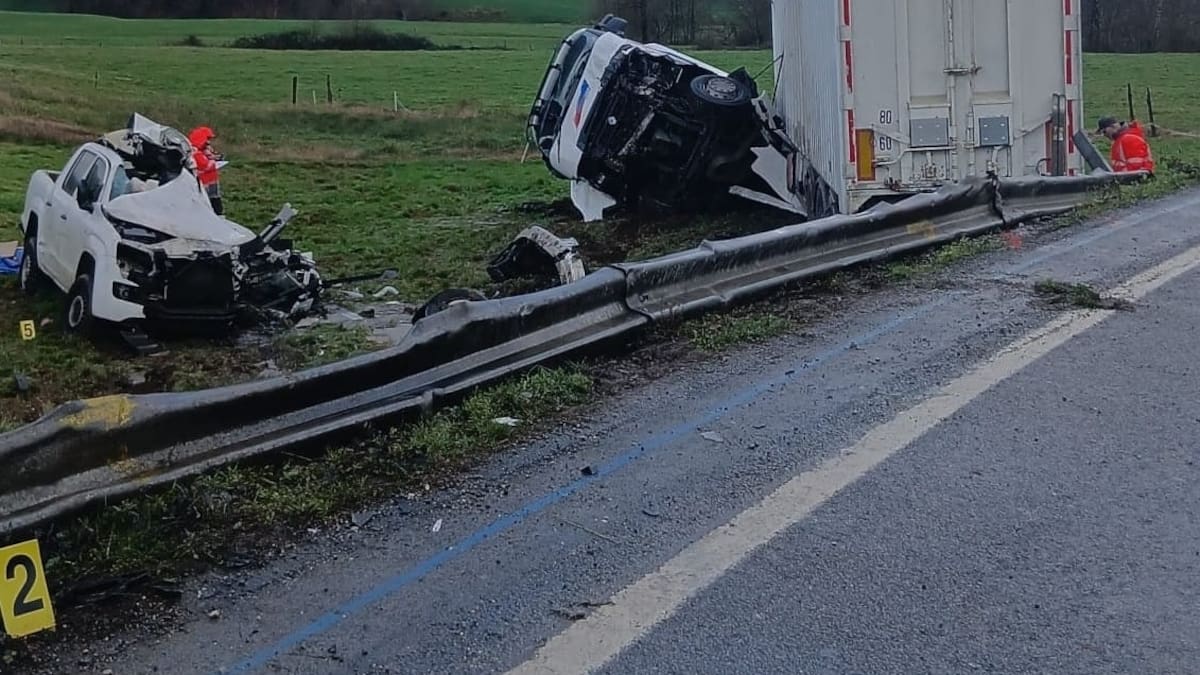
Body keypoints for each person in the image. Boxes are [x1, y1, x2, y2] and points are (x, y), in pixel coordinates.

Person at [188, 126, 225, 215]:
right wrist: (213, 161)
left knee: (215, 203)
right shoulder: (196, 153)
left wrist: (212, 156)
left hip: (211, 185)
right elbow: (205, 165)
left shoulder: (203, 151)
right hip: (204, 187)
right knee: (212, 207)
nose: (208, 142)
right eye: (207, 139)